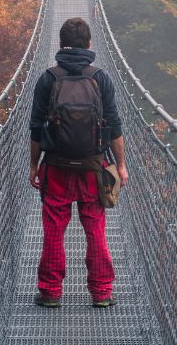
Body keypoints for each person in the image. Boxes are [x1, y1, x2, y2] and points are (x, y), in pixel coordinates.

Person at [29, 17, 128, 308]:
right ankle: (101, 293)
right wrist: (120, 165)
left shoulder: (48, 78)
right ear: (89, 44)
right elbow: (114, 126)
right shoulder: (101, 78)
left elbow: (36, 128)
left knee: (53, 230)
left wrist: (34, 166)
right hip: (94, 168)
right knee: (95, 229)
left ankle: (50, 293)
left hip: (56, 167)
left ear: (60, 45)